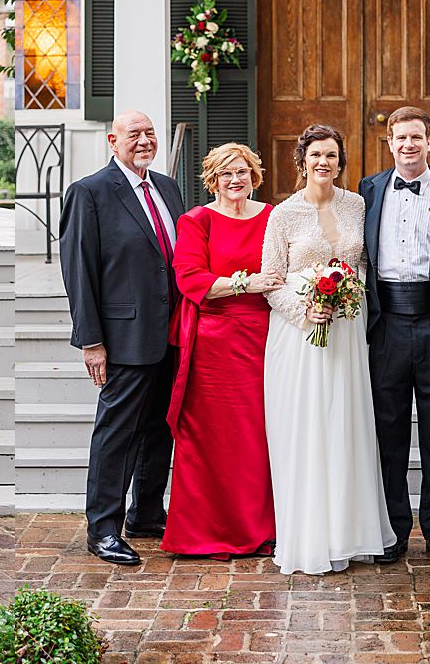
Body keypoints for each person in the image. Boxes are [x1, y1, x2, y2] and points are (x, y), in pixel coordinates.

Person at [259, 124, 392, 575]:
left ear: (340, 162)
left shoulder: (357, 205)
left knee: (345, 425)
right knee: (307, 427)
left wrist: (349, 296)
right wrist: (306, 311)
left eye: (331, 155)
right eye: (316, 154)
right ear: (302, 161)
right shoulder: (283, 214)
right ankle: (309, 536)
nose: (323, 162)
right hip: (300, 335)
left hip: (348, 331)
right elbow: (271, 281)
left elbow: (364, 263)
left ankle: (348, 532)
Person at [59, 109, 185, 566]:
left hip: (171, 333)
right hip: (123, 336)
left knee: (160, 429)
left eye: (150, 133)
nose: (145, 140)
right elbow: (78, 269)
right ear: (113, 141)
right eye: (134, 134)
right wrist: (91, 341)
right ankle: (103, 529)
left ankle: (147, 514)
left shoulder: (167, 188)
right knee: (117, 435)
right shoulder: (90, 192)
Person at [357, 106, 430, 565]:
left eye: (416, 137)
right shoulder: (368, 190)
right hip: (385, 323)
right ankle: (392, 529)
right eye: (400, 138)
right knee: (387, 430)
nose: (409, 145)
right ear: (389, 143)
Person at [162, 143, 279, 559]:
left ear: (254, 175)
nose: (235, 180)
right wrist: (246, 283)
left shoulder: (271, 216)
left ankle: (261, 528)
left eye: (242, 171)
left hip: (265, 338)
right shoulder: (198, 220)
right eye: (226, 173)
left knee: (257, 436)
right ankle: (206, 532)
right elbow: (190, 278)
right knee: (213, 439)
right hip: (214, 345)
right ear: (213, 179)